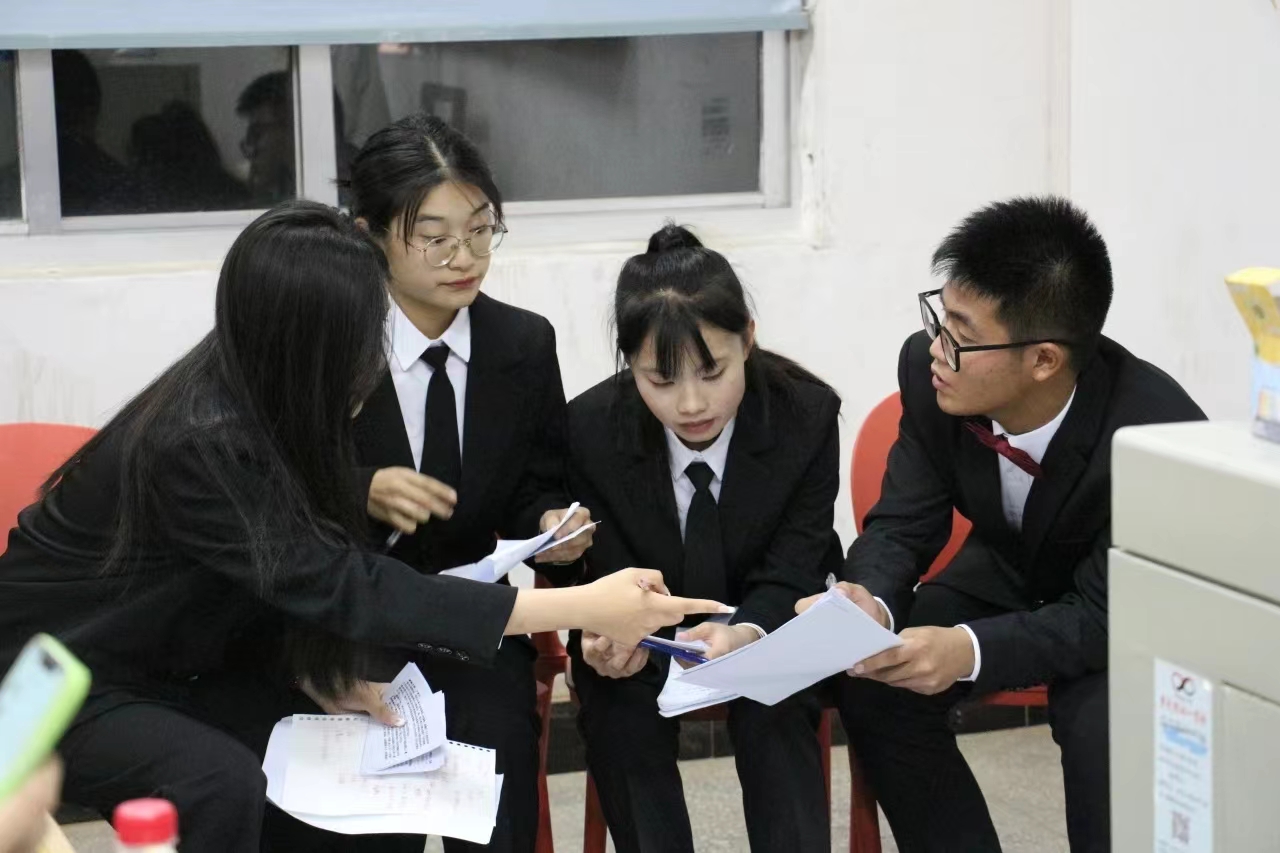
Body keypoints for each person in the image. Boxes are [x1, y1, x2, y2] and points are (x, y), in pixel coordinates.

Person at [0, 201, 725, 853]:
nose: (373, 359)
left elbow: (281, 573)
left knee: (351, 749)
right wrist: (583, 604)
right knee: (218, 782)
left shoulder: (261, 398)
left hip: (175, 656)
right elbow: (350, 584)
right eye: (361, 337)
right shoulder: (201, 443)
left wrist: (311, 668)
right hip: (51, 675)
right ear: (305, 344)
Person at [813, 196, 1206, 852]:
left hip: (1121, 610)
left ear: (1044, 359)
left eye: (960, 335)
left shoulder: (1157, 434)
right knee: (880, 680)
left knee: (1105, 724)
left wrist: (966, 650)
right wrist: (870, 602)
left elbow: (1102, 617)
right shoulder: (931, 374)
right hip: (1006, 567)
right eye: (940, 318)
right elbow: (903, 522)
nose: (936, 348)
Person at [261, 111, 591, 853]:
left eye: (479, 231)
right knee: (366, 809)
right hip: (348, 626)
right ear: (370, 234)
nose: (463, 257)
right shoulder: (327, 343)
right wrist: (361, 488)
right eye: (434, 238)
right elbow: (276, 491)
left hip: (471, 627)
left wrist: (551, 525)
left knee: (497, 768)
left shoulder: (522, 343)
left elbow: (534, 484)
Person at [566, 225, 840, 853]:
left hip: (767, 621)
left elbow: (796, 563)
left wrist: (746, 632)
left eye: (713, 372)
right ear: (629, 364)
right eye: (660, 381)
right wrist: (608, 636)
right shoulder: (591, 428)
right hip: (650, 634)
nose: (691, 403)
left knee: (775, 705)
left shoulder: (805, 416)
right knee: (618, 712)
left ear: (748, 339)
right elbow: (601, 570)